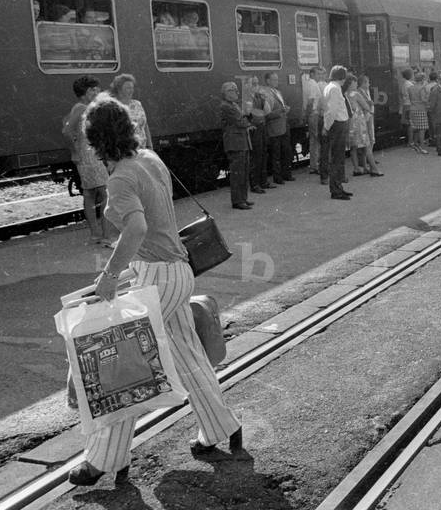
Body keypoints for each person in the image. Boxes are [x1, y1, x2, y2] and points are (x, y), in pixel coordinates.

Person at [69, 95, 241, 486]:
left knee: (123, 364)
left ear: (96, 142)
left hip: (157, 277)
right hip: (178, 270)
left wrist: (110, 276)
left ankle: (105, 459)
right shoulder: (148, 158)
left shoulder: (120, 178)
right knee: (185, 354)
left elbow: (137, 229)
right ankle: (221, 427)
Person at [62, 76, 111, 247]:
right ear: (83, 93)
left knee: (90, 195)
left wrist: (76, 151)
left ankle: (95, 235)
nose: (97, 92)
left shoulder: (81, 107)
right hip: (91, 156)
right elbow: (66, 131)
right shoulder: (82, 108)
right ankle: (106, 236)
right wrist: (74, 151)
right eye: (92, 90)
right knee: (106, 194)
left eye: (97, 89)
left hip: (86, 155)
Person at [219, 82, 253, 210]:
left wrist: (246, 118)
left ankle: (243, 198)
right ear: (226, 93)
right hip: (235, 143)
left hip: (241, 142)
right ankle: (238, 201)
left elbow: (242, 120)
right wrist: (248, 117)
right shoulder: (226, 107)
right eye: (234, 91)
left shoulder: (233, 105)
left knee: (243, 172)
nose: (237, 93)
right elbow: (240, 122)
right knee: (238, 173)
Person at [323, 66, 352, 200]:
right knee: (337, 159)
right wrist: (327, 127)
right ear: (342, 76)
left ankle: (338, 187)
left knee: (338, 158)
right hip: (338, 125)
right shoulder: (335, 88)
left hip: (338, 125)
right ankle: (336, 190)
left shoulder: (331, 86)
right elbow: (332, 111)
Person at [261, 72, 294, 184]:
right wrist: (281, 111)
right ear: (268, 81)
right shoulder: (265, 93)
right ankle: (277, 177)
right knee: (276, 154)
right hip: (274, 128)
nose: (276, 81)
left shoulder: (278, 92)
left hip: (283, 126)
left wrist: (285, 110)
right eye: (274, 79)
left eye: (277, 79)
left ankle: (286, 174)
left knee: (286, 152)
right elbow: (267, 114)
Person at [109, 74, 152, 150]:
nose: (132, 90)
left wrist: (150, 146)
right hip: (125, 151)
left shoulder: (137, 104)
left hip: (142, 149)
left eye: (132, 87)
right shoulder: (114, 106)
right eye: (128, 88)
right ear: (119, 89)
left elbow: (145, 126)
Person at [357, 74, 383, 176]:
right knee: (368, 141)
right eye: (367, 82)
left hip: (369, 117)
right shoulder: (360, 92)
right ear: (363, 83)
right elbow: (366, 105)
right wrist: (370, 103)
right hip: (366, 119)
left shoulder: (365, 91)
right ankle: (368, 166)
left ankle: (365, 165)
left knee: (369, 140)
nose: (369, 84)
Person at [303, 67, 323, 175]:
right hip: (314, 114)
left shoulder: (307, 83)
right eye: (317, 74)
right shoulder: (313, 84)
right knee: (316, 140)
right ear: (312, 74)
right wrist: (309, 114)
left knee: (313, 140)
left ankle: (313, 165)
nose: (319, 76)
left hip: (312, 114)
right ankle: (316, 166)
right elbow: (310, 102)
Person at [407, 72, 430, 153]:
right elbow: (423, 99)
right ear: (422, 79)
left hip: (412, 109)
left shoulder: (410, 88)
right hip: (421, 109)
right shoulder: (422, 88)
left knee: (416, 127)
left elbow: (410, 98)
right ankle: (422, 147)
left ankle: (415, 144)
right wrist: (428, 98)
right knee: (422, 129)